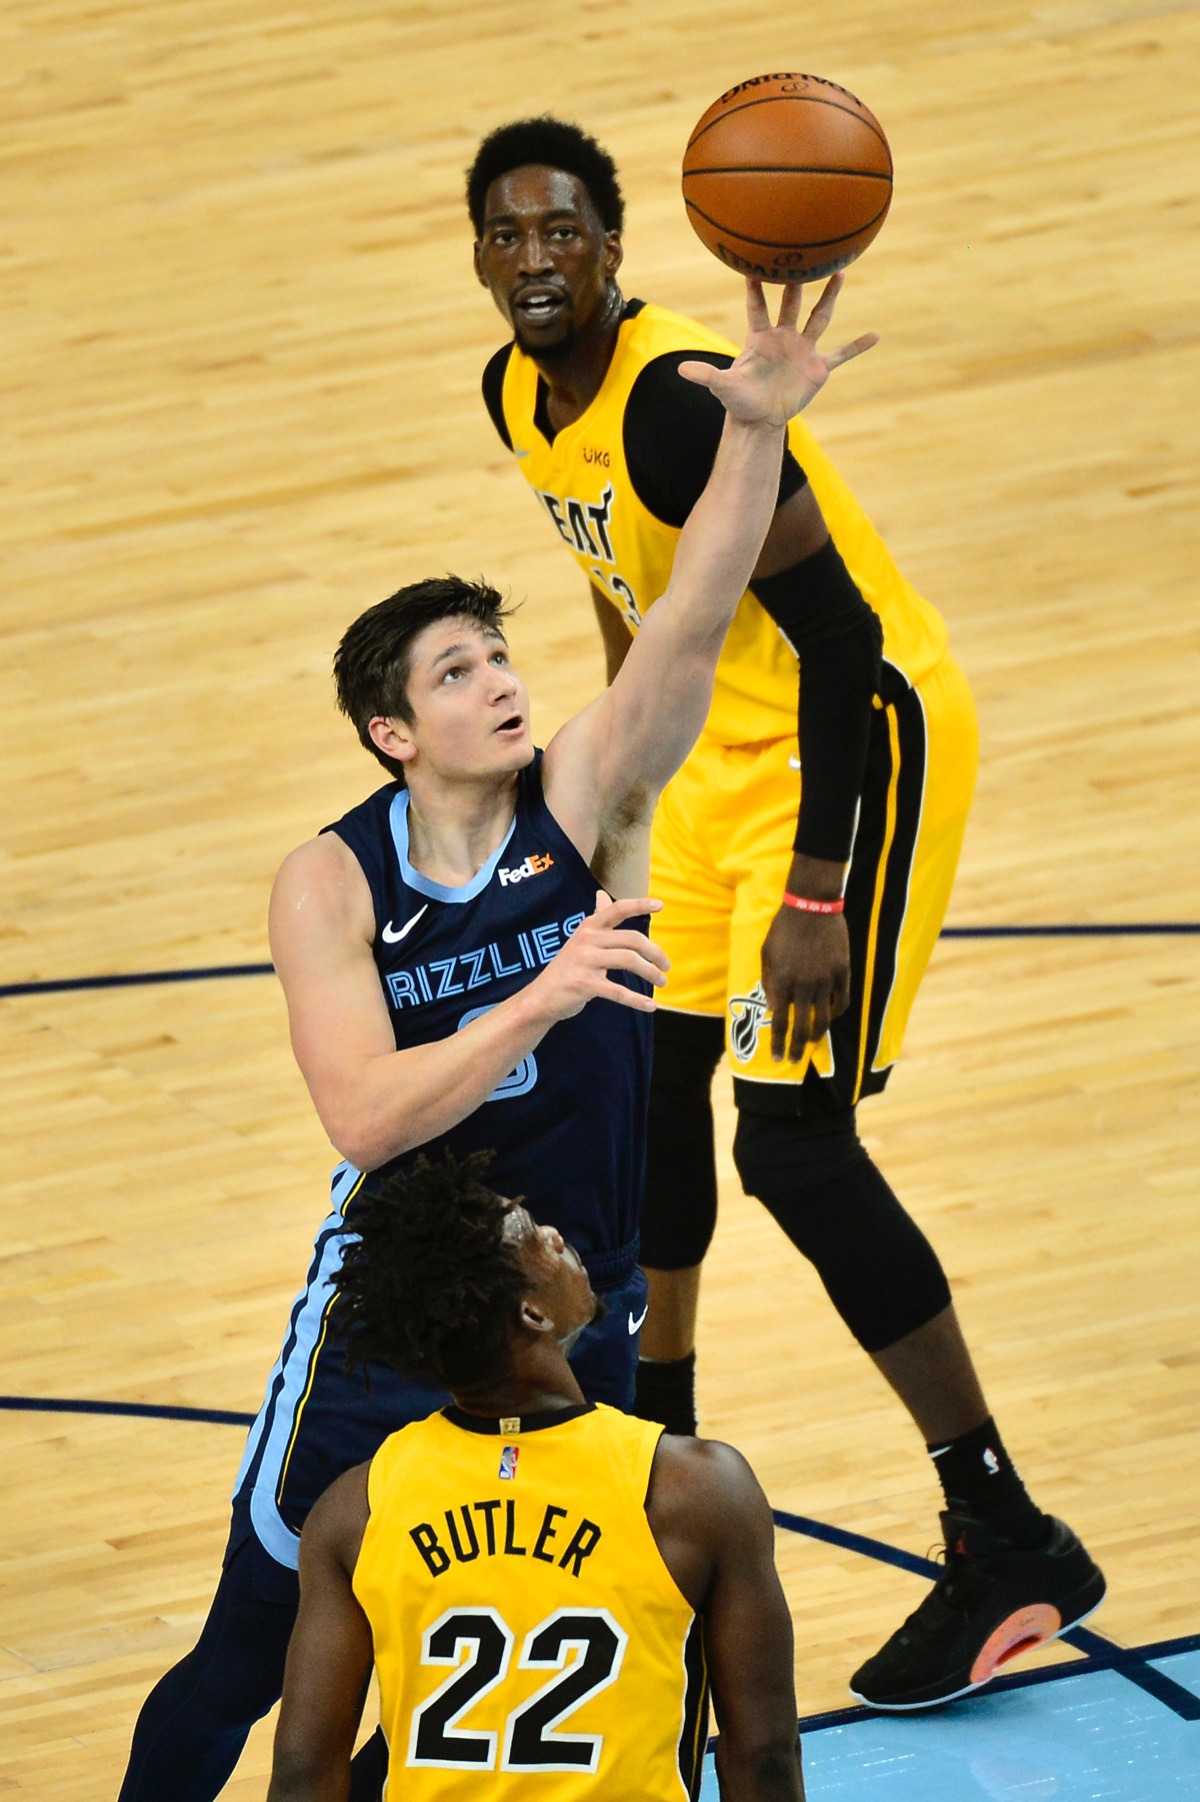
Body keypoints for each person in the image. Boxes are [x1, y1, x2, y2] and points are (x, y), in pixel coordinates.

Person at [119, 276, 869, 1798]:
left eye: (499, 652)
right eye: (455, 671)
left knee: (506, 1645)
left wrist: (755, 438)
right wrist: (541, 991)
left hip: (566, 1300)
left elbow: (695, 615)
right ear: (394, 732)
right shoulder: (332, 878)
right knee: (252, 1654)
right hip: (392, 1312)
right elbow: (365, 1118)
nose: (502, 679)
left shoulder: (579, 798)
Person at [467, 115, 1106, 1711]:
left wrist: (818, 887)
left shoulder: (682, 408)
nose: (535, 260)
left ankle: (1001, 1524)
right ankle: (662, 1459)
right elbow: (635, 607)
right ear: (478, 256)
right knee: (647, 1088)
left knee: (795, 1147)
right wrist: (614, 807)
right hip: (711, 767)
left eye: (564, 233)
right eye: (506, 236)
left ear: (621, 248)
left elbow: (839, 638)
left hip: (855, 740)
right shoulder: (516, 399)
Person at [267, 1152, 806, 1802]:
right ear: (534, 1315)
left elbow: (303, 1770)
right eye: (532, 1237)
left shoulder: (358, 1507)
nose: (556, 1235)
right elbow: (765, 1754)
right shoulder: (694, 1489)